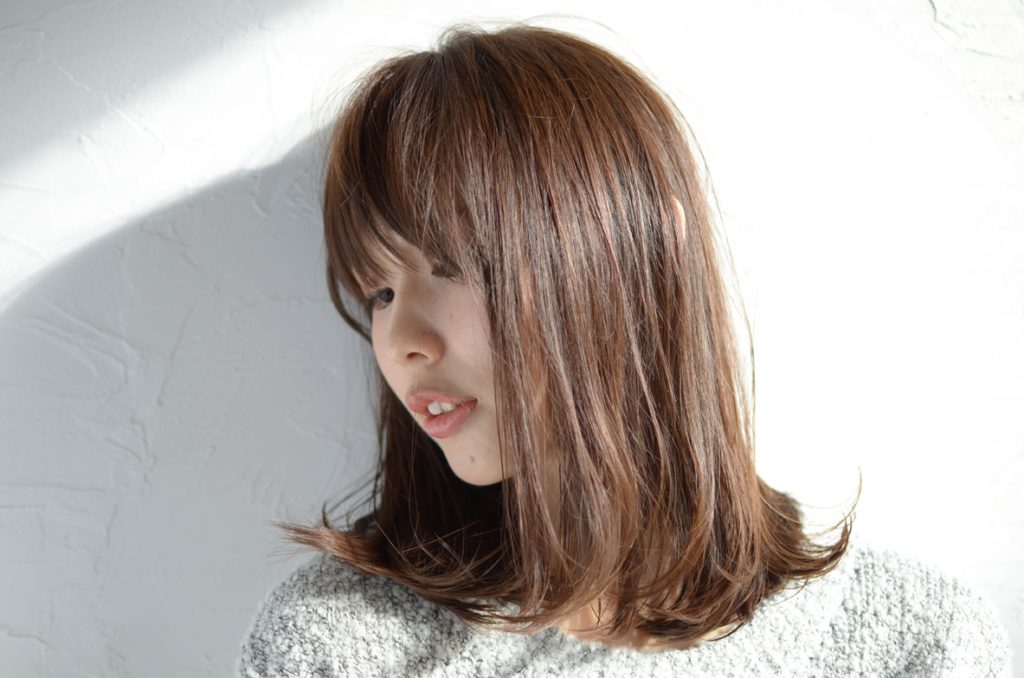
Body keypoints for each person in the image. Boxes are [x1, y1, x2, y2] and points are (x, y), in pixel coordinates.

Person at [238, 21, 1011, 676]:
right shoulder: (340, 643)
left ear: (646, 253)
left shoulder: (915, 642)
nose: (402, 342)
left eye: (454, 265)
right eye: (378, 292)